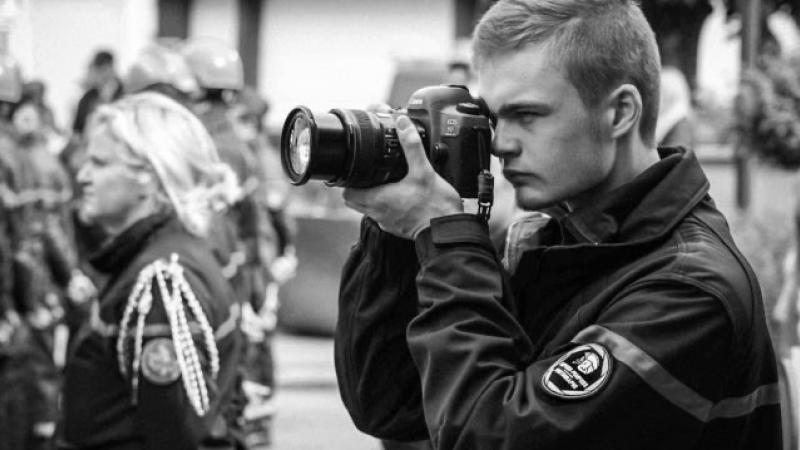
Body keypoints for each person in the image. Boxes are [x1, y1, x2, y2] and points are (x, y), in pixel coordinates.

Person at [334, 1, 782, 449]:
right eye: (492, 117)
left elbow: (490, 437)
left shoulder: (688, 288)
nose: (501, 143)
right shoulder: (559, 241)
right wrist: (396, 235)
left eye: (527, 115)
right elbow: (391, 407)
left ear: (620, 113)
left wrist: (446, 237)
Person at [57, 92, 245, 449]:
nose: (82, 176)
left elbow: (179, 438)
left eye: (98, 163)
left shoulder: (161, 279)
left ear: (148, 175)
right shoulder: (159, 259)